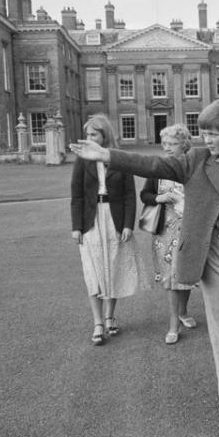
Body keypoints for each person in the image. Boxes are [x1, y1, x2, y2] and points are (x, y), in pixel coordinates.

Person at [70, 101, 219, 437]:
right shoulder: (196, 160)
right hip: (213, 253)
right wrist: (106, 155)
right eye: (203, 132)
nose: (205, 139)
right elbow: (153, 163)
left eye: (212, 133)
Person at [70, 114, 148, 345]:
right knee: (93, 272)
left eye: (93, 134)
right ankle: (97, 322)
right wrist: (76, 227)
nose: (89, 138)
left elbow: (129, 196)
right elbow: (77, 195)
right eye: (88, 134)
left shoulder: (119, 158)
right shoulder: (82, 160)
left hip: (114, 219)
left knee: (112, 268)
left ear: (105, 135)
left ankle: (110, 316)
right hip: (91, 221)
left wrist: (127, 225)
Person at [140, 124, 198, 345]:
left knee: (185, 275)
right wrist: (158, 198)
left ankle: (183, 312)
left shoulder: (193, 167)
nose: (166, 148)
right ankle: (173, 324)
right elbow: (144, 194)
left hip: (189, 229)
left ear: (184, 145)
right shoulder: (159, 168)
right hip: (164, 231)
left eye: (171, 144)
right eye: (164, 144)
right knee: (170, 278)